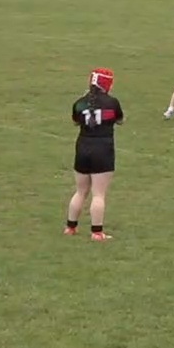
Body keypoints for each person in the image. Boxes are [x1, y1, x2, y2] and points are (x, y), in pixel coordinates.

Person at [66, 68, 124, 240]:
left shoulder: (79, 103)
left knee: (80, 191)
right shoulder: (112, 102)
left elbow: (76, 121)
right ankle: (97, 232)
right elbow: (120, 120)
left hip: (82, 147)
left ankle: (70, 227)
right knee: (98, 194)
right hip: (103, 148)